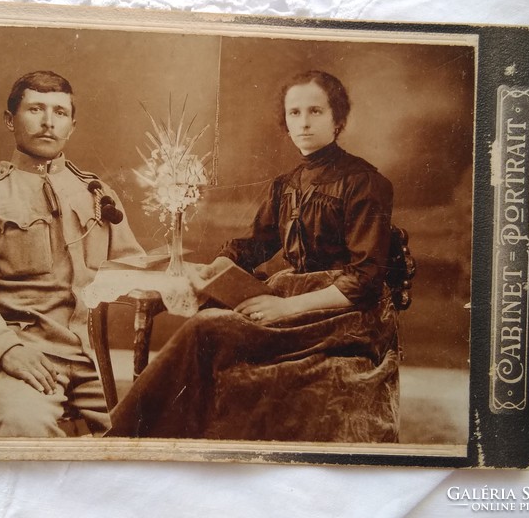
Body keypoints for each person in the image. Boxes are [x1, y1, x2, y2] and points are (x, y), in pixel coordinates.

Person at [108, 70, 399, 442]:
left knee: (206, 327)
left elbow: (366, 279)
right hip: (295, 299)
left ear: (337, 119)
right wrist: (218, 267)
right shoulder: (287, 184)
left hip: (344, 314)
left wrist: (286, 309)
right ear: (286, 122)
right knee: (208, 316)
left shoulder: (366, 183)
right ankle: (156, 436)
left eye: (316, 111)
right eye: (294, 113)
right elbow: (254, 245)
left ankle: (123, 433)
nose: (304, 123)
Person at [0, 70, 144, 437]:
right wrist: (6, 350)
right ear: (9, 119)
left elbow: (133, 269)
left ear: (72, 125)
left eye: (60, 113)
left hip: (100, 359)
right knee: (24, 427)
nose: (48, 122)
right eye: (35, 109)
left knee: (160, 421)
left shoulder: (97, 193)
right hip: (30, 356)